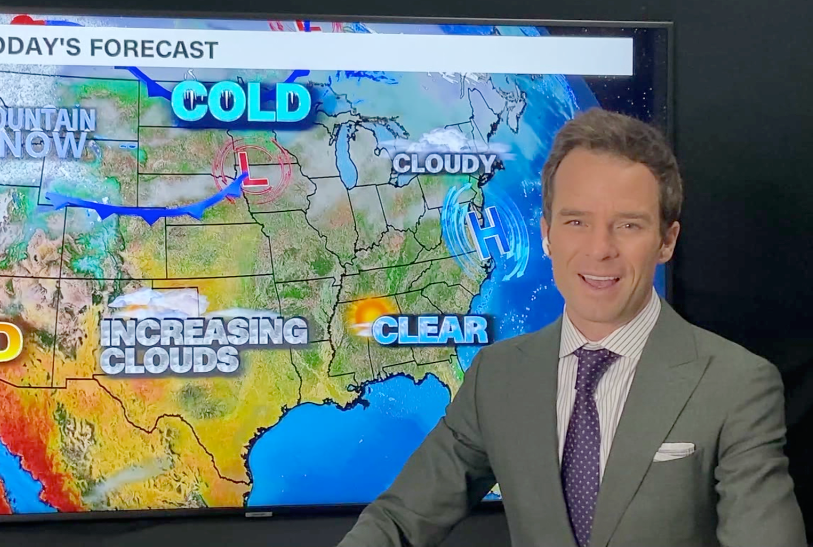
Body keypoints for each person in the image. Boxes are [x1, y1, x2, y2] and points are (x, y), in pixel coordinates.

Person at [336, 108, 807, 547]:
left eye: (628, 225)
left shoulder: (736, 386)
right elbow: (398, 521)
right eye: (577, 221)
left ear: (666, 241)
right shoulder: (496, 377)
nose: (600, 249)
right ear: (547, 234)